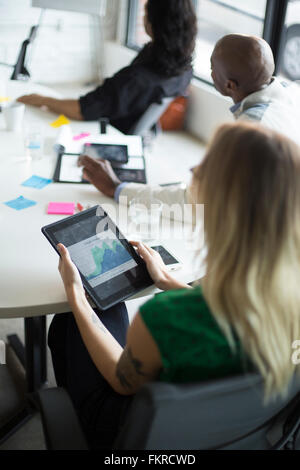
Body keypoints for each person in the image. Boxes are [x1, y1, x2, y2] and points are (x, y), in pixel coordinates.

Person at [48, 121, 300, 449]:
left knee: (77, 316)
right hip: (240, 432)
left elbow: (122, 382)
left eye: (205, 165)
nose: (194, 167)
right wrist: (167, 280)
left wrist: (76, 296)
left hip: (137, 441)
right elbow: (233, 319)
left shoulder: (167, 317)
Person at [77, 34, 300, 210]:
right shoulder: (289, 97)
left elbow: (196, 203)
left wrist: (118, 188)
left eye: (213, 68)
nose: (211, 72)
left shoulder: (249, 131)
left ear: (230, 86)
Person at [17, 0, 197, 135]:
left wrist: (44, 100)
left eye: (145, 13)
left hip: (110, 132)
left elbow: (82, 110)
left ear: (154, 24)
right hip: (130, 122)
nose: (142, 17)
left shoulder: (136, 79)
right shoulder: (185, 67)